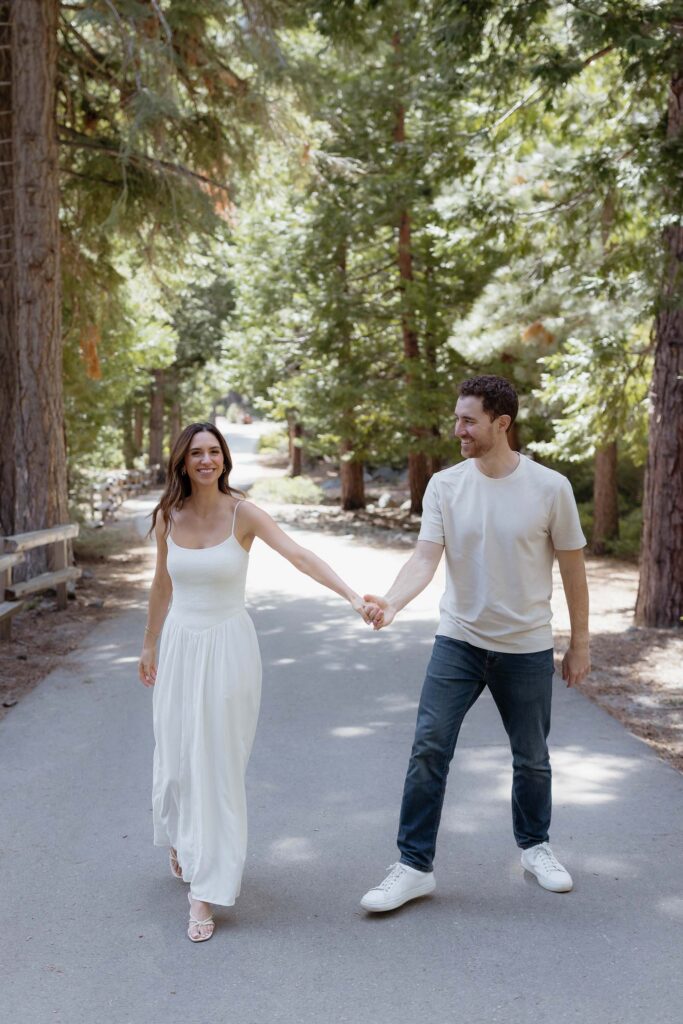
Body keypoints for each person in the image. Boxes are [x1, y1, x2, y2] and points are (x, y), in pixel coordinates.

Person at [361, 375, 590, 912]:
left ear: (501, 424)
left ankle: (536, 848)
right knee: (428, 749)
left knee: (532, 758)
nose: (457, 429)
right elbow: (425, 557)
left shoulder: (551, 488)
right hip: (459, 641)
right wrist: (394, 601)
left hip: (527, 645)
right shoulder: (445, 485)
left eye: (469, 420)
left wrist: (579, 644)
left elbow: (575, 572)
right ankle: (414, 866)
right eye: (457, 418)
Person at [138, 422, 370, 941]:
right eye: (196, 453)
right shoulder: (166, 518)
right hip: (178, 646)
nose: (206, 460)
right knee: (175, 761)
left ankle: (206, 891)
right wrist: (149, 641)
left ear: (224, 460)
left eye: (214, 452)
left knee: (216, 766)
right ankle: (182, 835)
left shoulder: (244, 513)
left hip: (228, 651)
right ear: (181, 460)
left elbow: (300, 556)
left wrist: (353, 597)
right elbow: (161, 583)